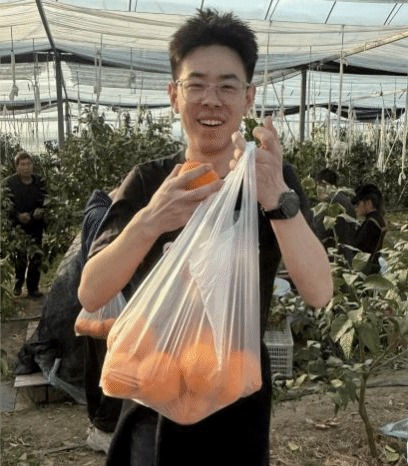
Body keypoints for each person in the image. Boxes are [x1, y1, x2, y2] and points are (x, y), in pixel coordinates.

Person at [78, 9, 333, 466]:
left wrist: (277, 199)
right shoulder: (149, 182)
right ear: (174, 95)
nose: (211, 100)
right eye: (196, 85)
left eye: (227, 86)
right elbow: (91, 291)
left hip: (237, 404)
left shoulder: (271, 179)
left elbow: (318, 292)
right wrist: (150, 220)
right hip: (151, 399)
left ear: (248, 97)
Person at [79, 188, 123, 454]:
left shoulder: (98, 211)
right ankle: (103, 428)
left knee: (97, 366)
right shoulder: (102, 217)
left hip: (99, 306)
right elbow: (103, 262)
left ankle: (98, 425)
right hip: (107, 304)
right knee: (114, 367)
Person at [6, 150, 47, 298]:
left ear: (32, 165)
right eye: (22, 164)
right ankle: (18, 284)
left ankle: (33, 287)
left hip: (35, 223)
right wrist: (18, 215)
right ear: (17, 167)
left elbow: (47, 200)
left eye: (28, 164)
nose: (26, 167)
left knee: (36, 256)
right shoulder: (9, 183)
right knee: (20, 256)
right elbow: (6, 204)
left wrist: (40, 211)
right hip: (17, 226)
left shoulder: (40, 182)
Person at [314, 167, 356, 264]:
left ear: (322, 184)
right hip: (347, 257)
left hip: (331, 259)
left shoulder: (328, 204)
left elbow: (318, 233)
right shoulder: (347, 201)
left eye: (317, 185)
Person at [351, 183, 387, 274]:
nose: (356, 208)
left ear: (368, 203)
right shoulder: (378, 219)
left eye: (358, 204)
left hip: (366, 270)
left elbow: (358, 247)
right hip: (374, 266)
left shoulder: (371, 223)